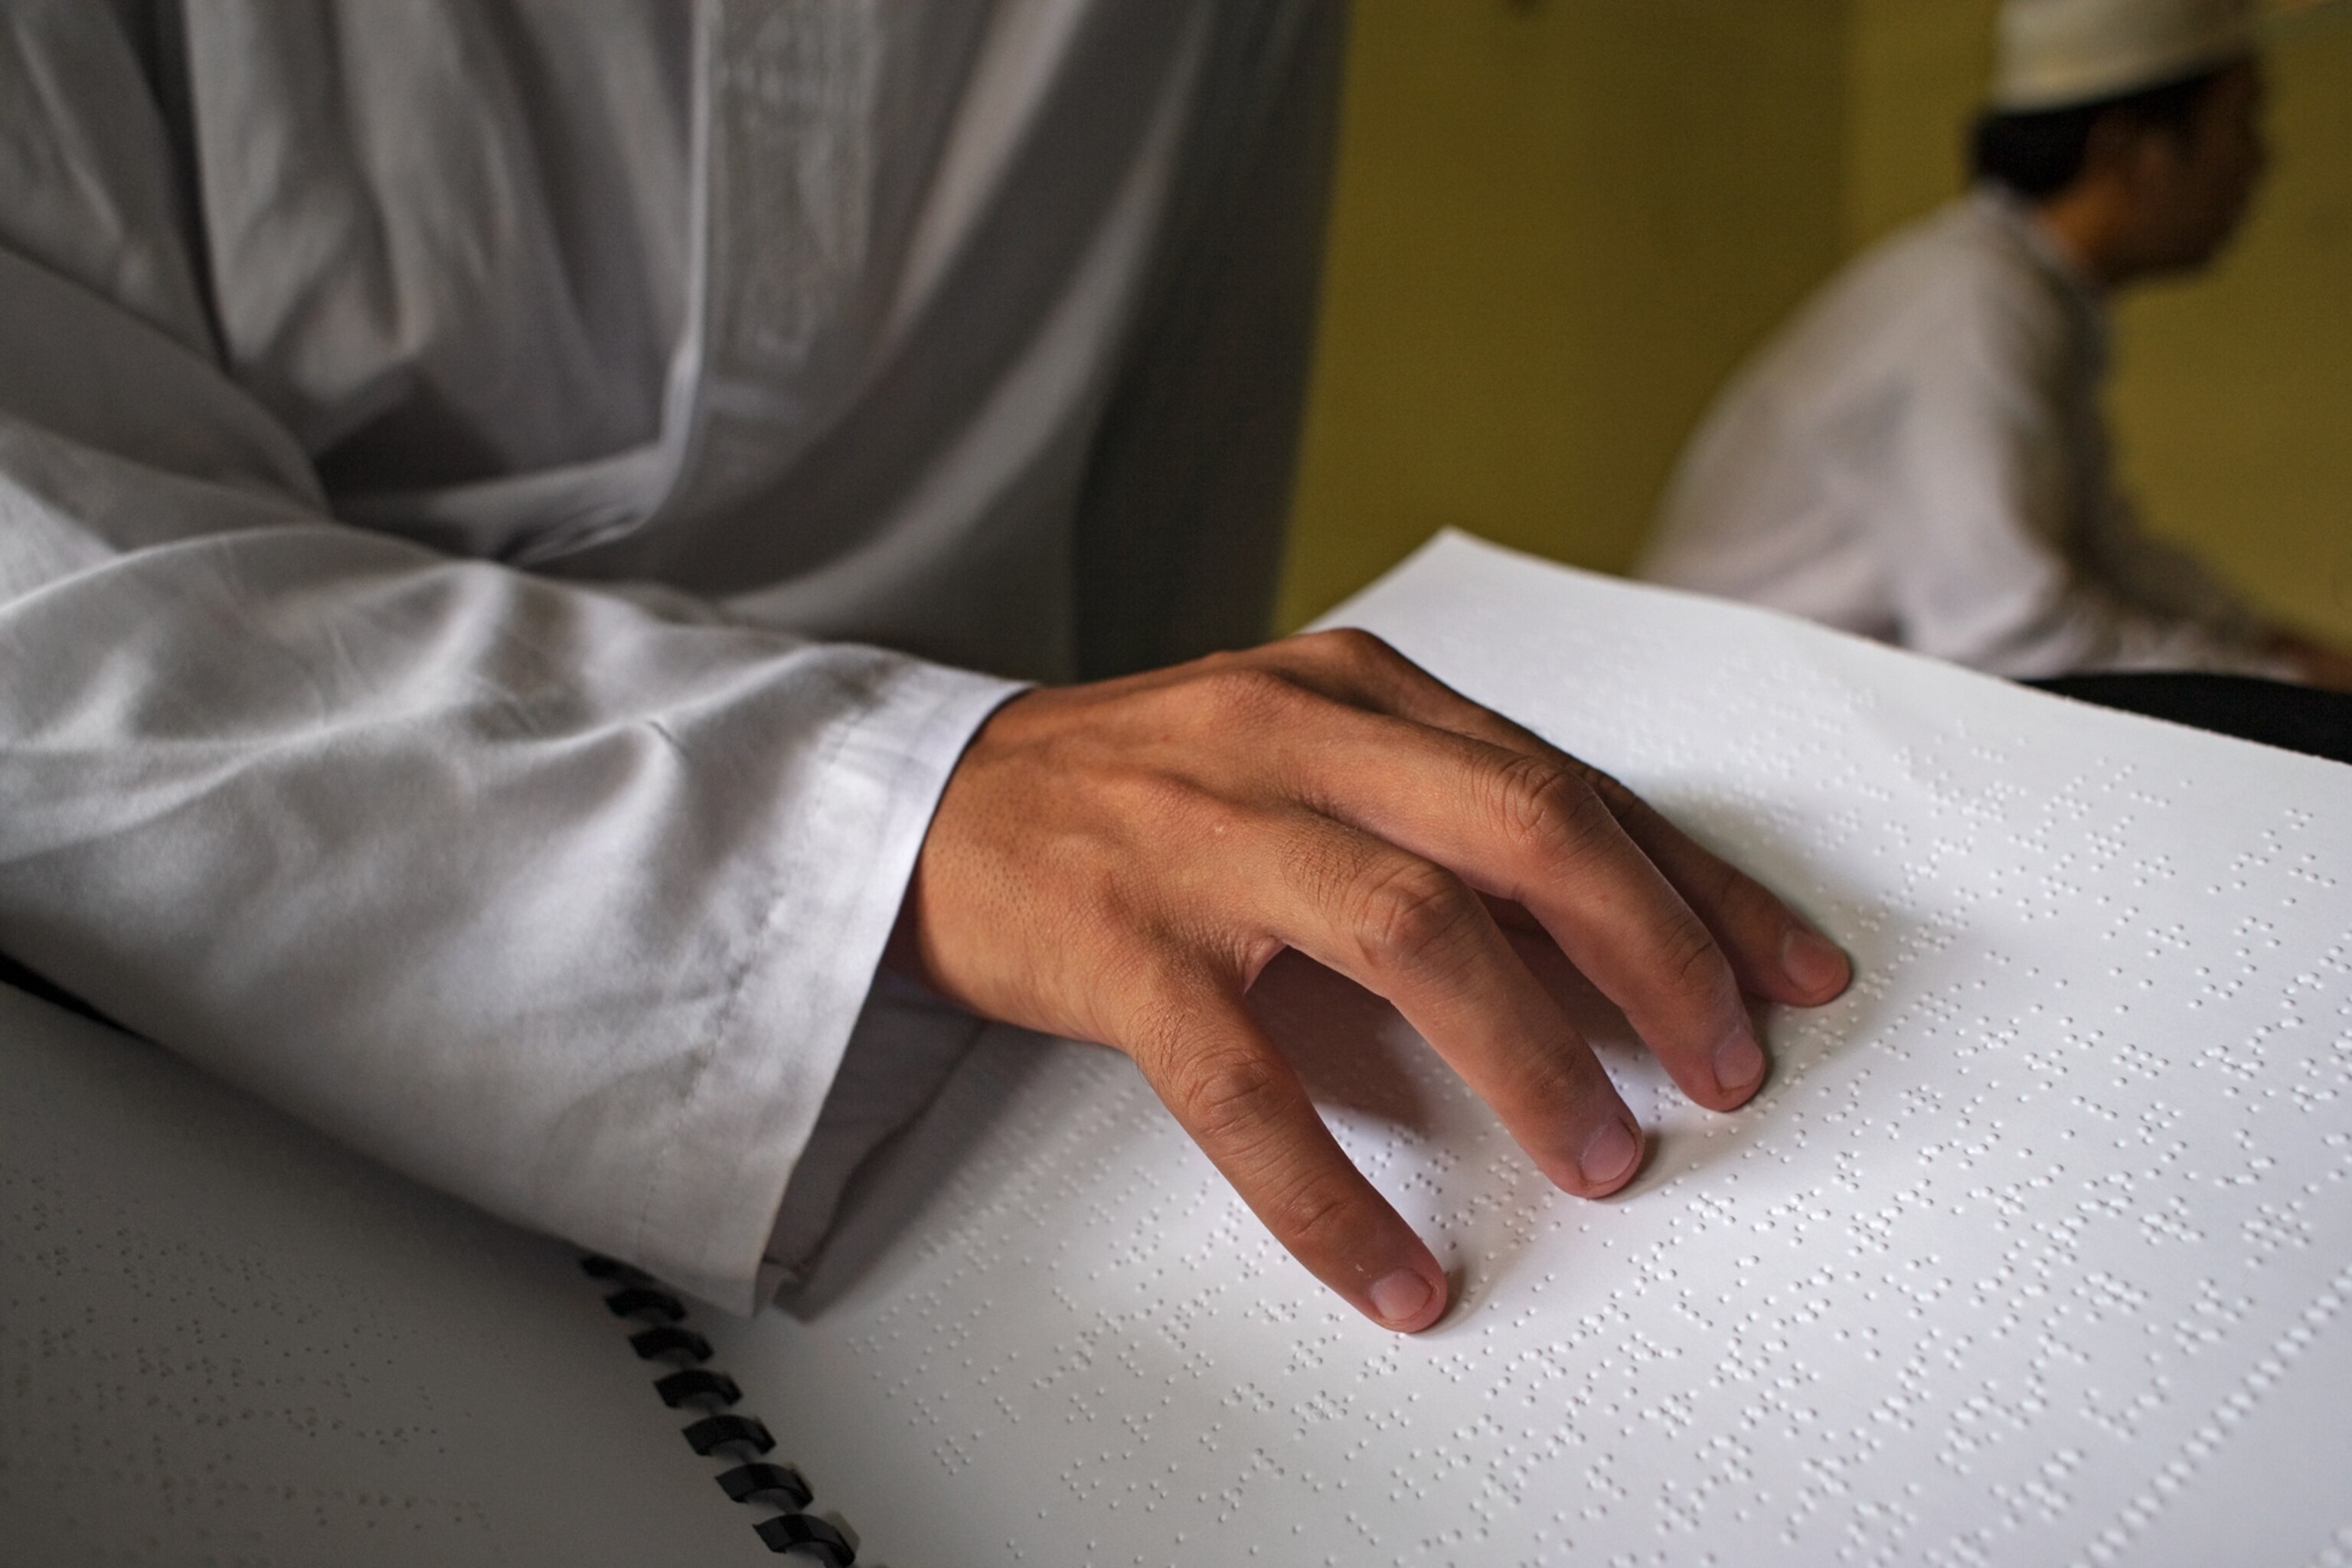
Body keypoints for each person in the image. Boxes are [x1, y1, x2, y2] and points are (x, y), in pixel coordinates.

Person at [0, 1, 1847, 1336]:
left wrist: (1182, 797)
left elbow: (1161, 502)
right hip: (177, 1101)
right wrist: (895, 797)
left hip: (1001, 1078)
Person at [1638, 0, 2352, 688]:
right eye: (2243, 125)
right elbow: (2011, 636)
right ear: (2133, 151)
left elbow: (2102, 550)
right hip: (1742, 726)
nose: (2257, 164)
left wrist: (2262, 640)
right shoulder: (1975, 304)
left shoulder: (2023, 294)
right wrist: (2280, 688)